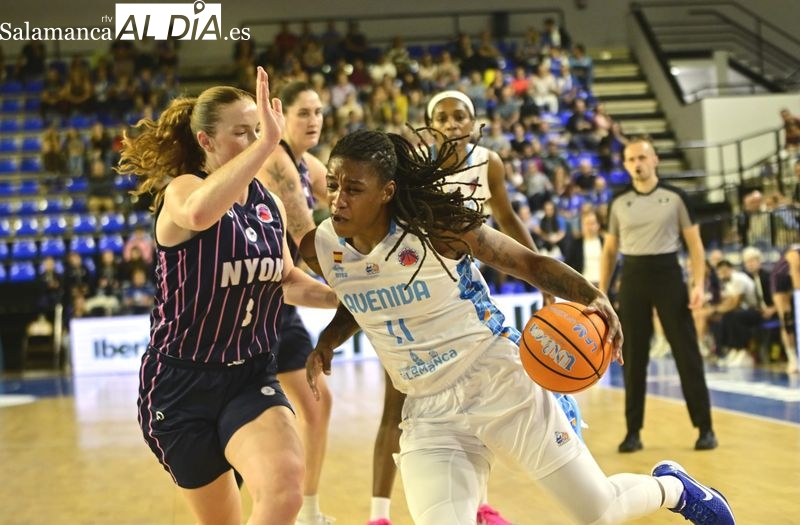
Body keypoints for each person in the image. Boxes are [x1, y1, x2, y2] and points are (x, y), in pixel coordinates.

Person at [301, 128, 735, 525]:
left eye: (353, 189)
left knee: (599, 512)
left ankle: (674, 488)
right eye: (333, 185)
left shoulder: (438, 229)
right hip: (429, 410)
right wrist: (330, 338)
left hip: (499, 381)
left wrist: (592, 295)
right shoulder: (320, 248)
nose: (338, 200)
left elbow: (528, 263)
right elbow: (361, 293)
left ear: (386, 192)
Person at [117, 67, 339, 525]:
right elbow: (200, 215)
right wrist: (267, 145)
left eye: (259, 130)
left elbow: (287, 280)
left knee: (284, 492)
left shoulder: (269, 204)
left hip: (249, 374)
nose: (257, 140)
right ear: (206, 141)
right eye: (242, 133)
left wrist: (352, 297)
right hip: (180, 383)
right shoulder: (183, 190)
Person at [363, 90, 541, 525]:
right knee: (394, 405)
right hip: (413, 292)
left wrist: (540, 274)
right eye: (442, 117)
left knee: (476, 401)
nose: (451, 123)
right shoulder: (412, 168)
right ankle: (378, 515)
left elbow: (508, 219)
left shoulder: (488, 163)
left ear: (473, 121)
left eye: (459, 115)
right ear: (430, 126)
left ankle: (479, 504)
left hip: (462, 295)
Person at [598, 137, 718, 453]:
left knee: (686, 353)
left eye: (642, 157)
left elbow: (695, 245)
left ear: (655, 160)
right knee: (633, 358)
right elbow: (609, 251)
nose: (637, 164)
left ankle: (705, 428)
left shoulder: (676, 197)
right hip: (633, 276)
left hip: (668, 275)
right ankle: (632, 432)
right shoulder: (618, 202)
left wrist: (698, 284)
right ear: (625, 165)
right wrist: (601, 292)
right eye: (631, 159)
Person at [255, 80, 334, 525]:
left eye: (318, 112)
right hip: (257, 304)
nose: (314, 120)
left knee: (317, 404)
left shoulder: (305, 163)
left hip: (280, 303)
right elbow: (308, 240)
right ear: (281, 116)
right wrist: (367, 283)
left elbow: (346, 199)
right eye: (304, 112)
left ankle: (309, 512)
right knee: (253, 425)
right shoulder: (276, 160)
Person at [770, 244, 800, 374]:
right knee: (787, 320)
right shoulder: (794, 253)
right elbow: (797, 280)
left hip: (794, 280)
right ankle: (792, 359)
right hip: (781, 282)